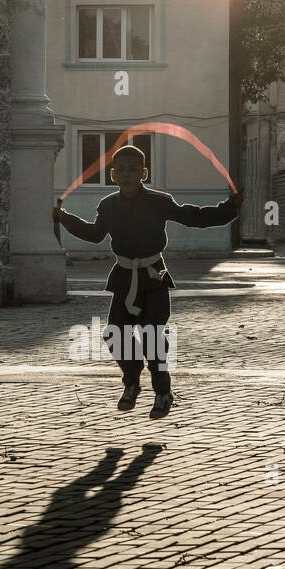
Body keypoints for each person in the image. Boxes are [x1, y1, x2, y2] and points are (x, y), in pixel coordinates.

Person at [52, 144, 243, 418]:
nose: (127, 175)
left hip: (154, 277)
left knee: (152, 336)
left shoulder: (159, 202)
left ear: (144, 173)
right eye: (121, 170)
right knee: (114, 333)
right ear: (113, 174)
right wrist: (64, 218)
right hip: (123, 278)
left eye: (133, 170)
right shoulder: (107, 205)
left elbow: (195, 218)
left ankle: (163, 392)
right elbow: (94, 234)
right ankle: (131, 382)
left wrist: (229, 208)